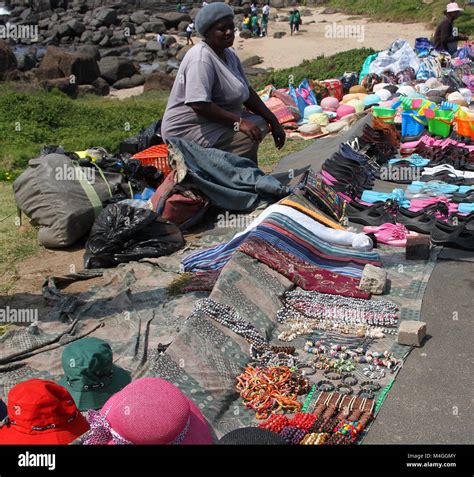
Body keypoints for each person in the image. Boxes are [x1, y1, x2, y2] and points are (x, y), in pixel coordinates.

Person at [161, 2, 286, 164]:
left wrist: (274, 121)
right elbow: (199, 104)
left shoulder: (228, 53)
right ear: (207, 33)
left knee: (259, 124)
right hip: (187, 130)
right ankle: (230, 178)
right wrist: (239, 123)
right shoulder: (201, 58)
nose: (229, 33)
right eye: (222, 29)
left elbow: (246, 93)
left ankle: (248, 172)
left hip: (213, 122)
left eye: (231, 27)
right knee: (247, 135)